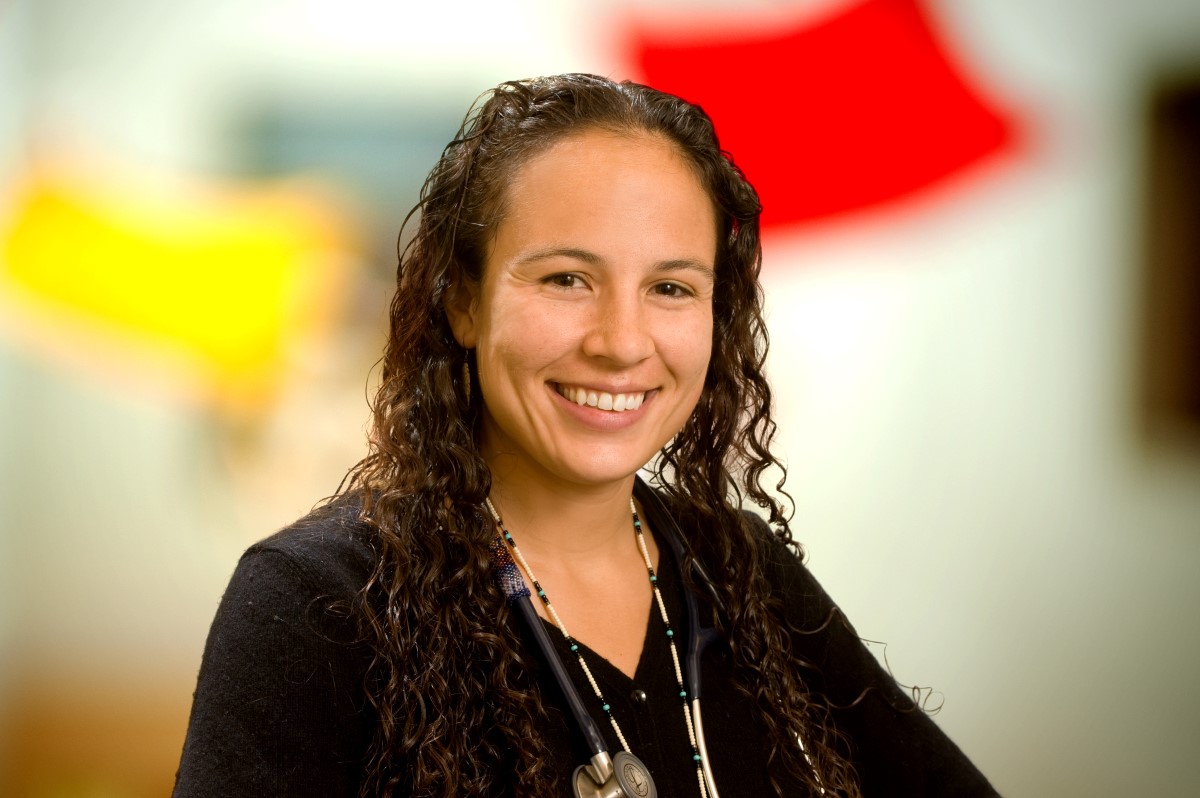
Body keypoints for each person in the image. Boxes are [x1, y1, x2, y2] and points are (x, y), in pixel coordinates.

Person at [174, 73, 998, 797]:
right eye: (568, 278)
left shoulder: (740, 576)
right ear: (462, 300)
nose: (621, 341)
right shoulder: (313, 603)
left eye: (671, 287)